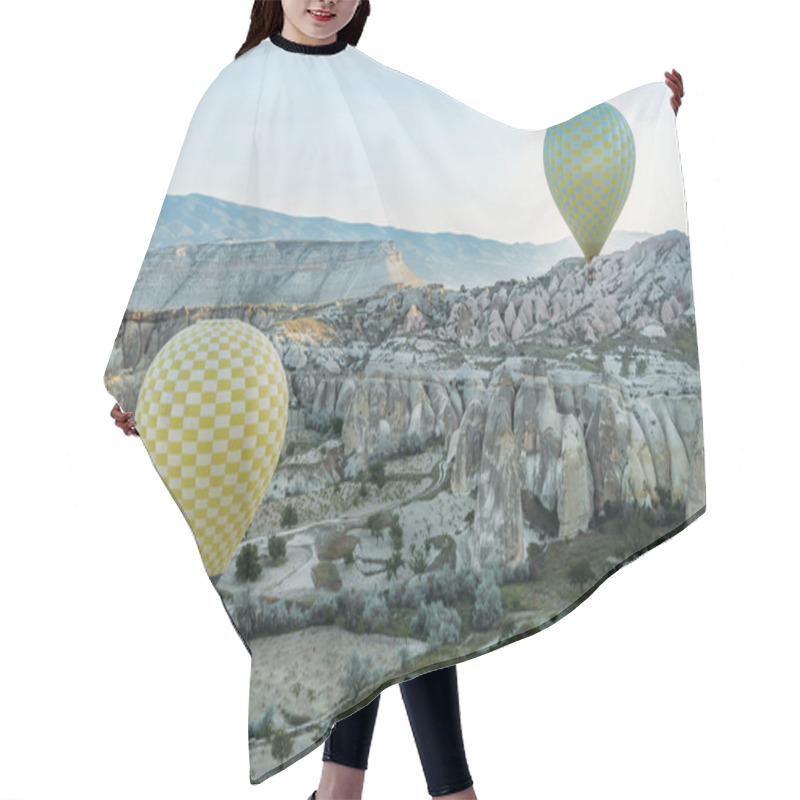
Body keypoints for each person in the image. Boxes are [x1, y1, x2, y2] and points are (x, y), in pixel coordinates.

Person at [110, 3, 685, 798]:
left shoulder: (377, 87)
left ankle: (351, 791)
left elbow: (488, 164)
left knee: (385, 592)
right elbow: (182, 250)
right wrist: (151, 380)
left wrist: (638, 119)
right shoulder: (234, 92)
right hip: (269, 390)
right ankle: (431, 792)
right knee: (371, 597)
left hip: (351, 372)